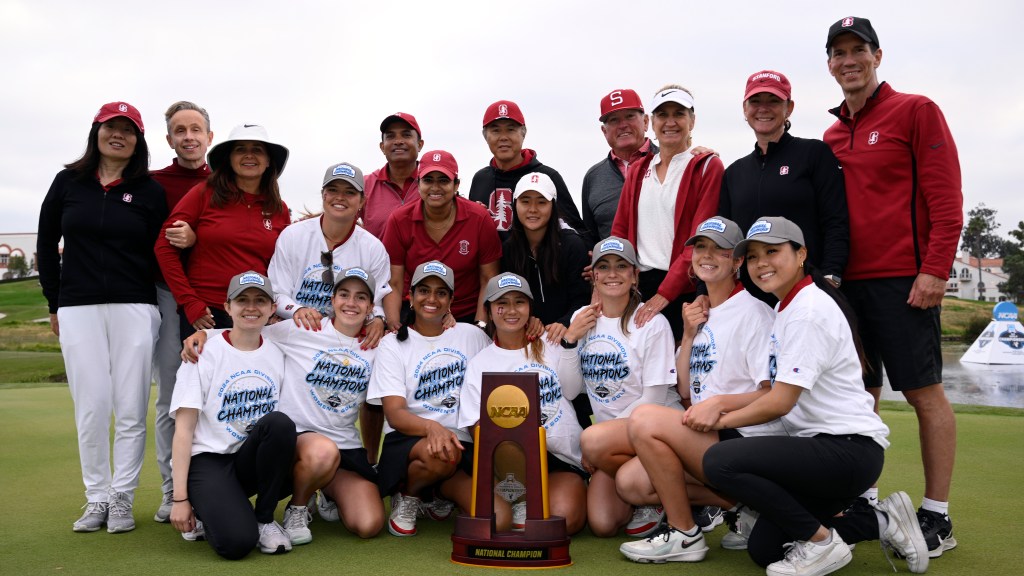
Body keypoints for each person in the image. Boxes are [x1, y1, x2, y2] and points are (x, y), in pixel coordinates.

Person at [621, 216, 929, 575]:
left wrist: (719, 417)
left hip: (845, 451)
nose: (762, 263)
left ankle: (820, 543)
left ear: (801, 255)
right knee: (765, 548)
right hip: (811, 450)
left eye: (772, 252)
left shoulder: (806, 311)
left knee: (721, 460)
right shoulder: (786, 307)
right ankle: (882, 522)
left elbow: (780, 401)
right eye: (753, 256)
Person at [823, 16, 962, 557]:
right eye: (839, 52)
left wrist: (936, 269)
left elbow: (946, 199)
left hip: (905, 281)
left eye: (859, 50)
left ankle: (937, 517)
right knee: (860, 398)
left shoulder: (916, 110)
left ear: (877, 57)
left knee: (925, 394)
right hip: (847, 288)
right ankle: (864, 499)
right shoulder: (833, 133)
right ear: (830, 63)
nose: (849, 60)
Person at [181, 267, 386, 544]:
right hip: (298, 441)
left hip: (345, 444)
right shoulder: (302, 329)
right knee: (320, 451)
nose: (351, 303)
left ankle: (324, 490)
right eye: (344, 294)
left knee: (368, 523)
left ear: (371, 306)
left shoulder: (379, 346)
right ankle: (297, 507)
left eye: (361, 297)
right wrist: (206, 335)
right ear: (333, 299)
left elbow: (376, 405)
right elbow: (249, 330)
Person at [37, 101, 167, 534]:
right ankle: (96, 497)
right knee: (91, 408)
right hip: (78, 306)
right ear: (96, 132)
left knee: (130, 407)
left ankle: (121, 498)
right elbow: (45, 241)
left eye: (128, 131)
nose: (119, 136)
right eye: (111, 127)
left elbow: (162, 250)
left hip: (135, 305)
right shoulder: (68, 182)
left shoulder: (148, 190)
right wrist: (54, 303)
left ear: (139, 140)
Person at [614, 217, 775, 559]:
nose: (707, 254)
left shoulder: (754, 313)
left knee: (645, 419)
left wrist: (718, 404)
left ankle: (684, 534)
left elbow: (772, 393)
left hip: (749, 439)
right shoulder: (701, 312)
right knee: (631, 484)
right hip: (710, 433)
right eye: (701, 246)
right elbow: (686, 391)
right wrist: (687, 335)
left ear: (738, 261)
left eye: (720, 248)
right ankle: (744, 506)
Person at [169, 271, 296, 559]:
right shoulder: (202, 352)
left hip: (247, 457)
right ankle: (208, 510)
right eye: (243, 300)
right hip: (209, 461)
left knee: (280, 425)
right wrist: (180, 499)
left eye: (260, 301)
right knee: (236, 544)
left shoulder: (278, 351)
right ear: (227, 307)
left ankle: (264, 519)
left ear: (271, 308)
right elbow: (184, 430)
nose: (251, 307)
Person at [561, 237, 679, 538]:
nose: (612, 274)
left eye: (621, 266)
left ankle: (668, 495)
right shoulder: (581, 319)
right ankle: (640, 484)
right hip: (612, 442)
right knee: (602, 523)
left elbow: (652, 400)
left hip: (655, 432)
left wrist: (598, 440)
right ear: (594, 275)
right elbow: (571, 390)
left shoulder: (652, 323)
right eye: (604, 267)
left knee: (594, 441)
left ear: (635, 275)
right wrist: (571, 340)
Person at [367, 261, 491, 537]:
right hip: (410, 439)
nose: (432, 299)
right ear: (410, 296)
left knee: (496, 517)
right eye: (424, 290)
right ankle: (409, 494)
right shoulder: (394, 343)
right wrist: (433, 428)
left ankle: (437, 493)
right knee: (442, 454)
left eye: (441, 293)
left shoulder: (472, 336)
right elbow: (395, 413)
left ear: (451, 300)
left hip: (463, 442)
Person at [459, 272, 588, 535]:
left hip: (560, 458)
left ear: (530, 308)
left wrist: (569, 343)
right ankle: (519, 497)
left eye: (519, 302)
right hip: (512, 462)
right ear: (490, 311)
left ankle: (548, 496)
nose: (511, 310)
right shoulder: (480, 364)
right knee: (500, 431)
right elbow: (476, 429)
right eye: (501, 304)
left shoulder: (550, 342)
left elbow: (573, 391)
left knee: (566, 521)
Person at [719, 70, 848, 305]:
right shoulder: (734, 173)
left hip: (808, 293)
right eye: (755, 101)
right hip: (752, 299)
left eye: (774, 101)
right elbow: (724, 240)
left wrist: (831, 277)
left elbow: (836, 221)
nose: (763, 108)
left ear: (789, 108)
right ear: (745, 109)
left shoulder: (813, 154)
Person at [155, 124, 291, 339]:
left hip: (255, 314)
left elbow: (284, 267)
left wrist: (277, 308)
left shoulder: (279, 209)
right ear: (229, 158)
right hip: (206, 313)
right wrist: (188, 302)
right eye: (240, 149)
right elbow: (164, 247)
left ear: (268, 161)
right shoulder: (204, 193)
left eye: (257, 149)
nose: (249, 155)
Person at [611, 85, 724, 340]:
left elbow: (700, 240)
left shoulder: (706, 166)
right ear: (651, 122)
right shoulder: (639, 171)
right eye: (662, 115)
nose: (670, 122)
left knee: (680, 371)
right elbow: (620, 233)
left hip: (683, 289)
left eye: (679, 114)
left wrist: (666, 293)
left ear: (692, 120)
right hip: (638, 290)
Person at [150, 100, 215, 523]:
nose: (188, 136)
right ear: (169, 138)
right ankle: (173, 488)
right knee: (174, 398)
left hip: (219, 303)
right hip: (170, 296)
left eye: (196, 129)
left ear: (210, 136)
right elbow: (156, 242)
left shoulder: (227, 179)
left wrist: (198, 235)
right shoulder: (153, 183)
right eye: (180, 130)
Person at [382, 150, 501, 328]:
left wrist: (480, 326)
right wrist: (393, 324)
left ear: (456, 185)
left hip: (466, 314)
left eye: (443, 180)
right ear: (418, 184)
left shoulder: (479, 218)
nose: (435, 187)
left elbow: (488, 278)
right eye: (428, 180)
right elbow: (394, 282)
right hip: (419, 311)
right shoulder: (400, 220)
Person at [468, 100, 585, 236]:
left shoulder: (547, 176)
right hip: (492, 257)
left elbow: (576, 230)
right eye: (496, 130)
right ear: (486, 137)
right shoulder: (481, 179)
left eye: (511, 130)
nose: (503, 137)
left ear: (523, 133)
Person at [501, 172, 591, 341]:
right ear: (515, 204)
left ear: (553, 206)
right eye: (525, 201)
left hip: (570, 337)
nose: (533, 209)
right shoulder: (509, 249)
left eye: (541, 202)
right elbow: (509, 297)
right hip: (528, 337)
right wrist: (527, 317)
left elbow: (583, 297)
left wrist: (565, 322)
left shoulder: (572, 244)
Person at [581, 89, 658, 245]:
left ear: (645, 122)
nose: (623, 125)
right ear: (604, 131)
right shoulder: (593, 177)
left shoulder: (670, 161)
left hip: (668, 268)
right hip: (615, 268)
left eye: (630, 116)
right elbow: (590, 237)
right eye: (614, 120)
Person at [361, 112, 423, 239]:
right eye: (390, 136)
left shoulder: (435, 183)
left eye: (406, 135)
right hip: (379, 259)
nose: (398, 141)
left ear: (420, 145)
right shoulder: (364, 185)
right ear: (382, 147)